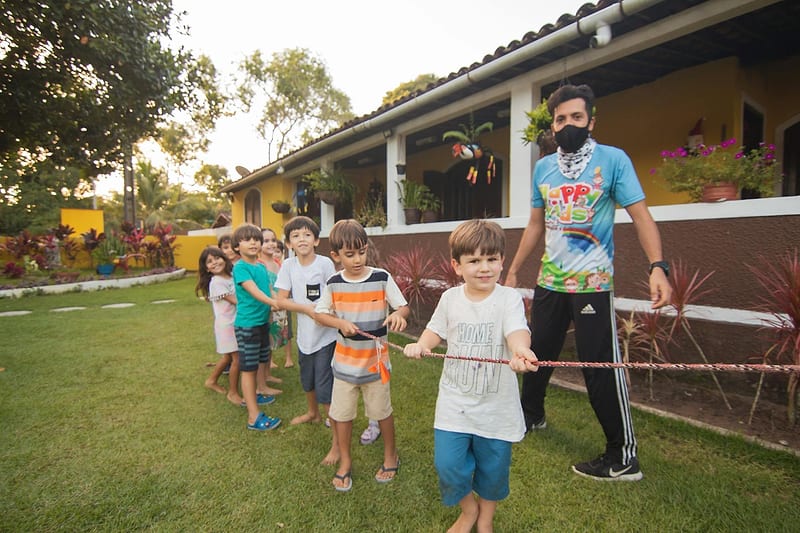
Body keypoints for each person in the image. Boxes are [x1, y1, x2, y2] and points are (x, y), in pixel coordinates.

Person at [505, 84, 672, 481]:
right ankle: (532, 416)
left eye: (576, 118)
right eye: (560, 119)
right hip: (550, 281)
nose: (568, 126)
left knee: (599, 367)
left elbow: (642, 215)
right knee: (536, 354)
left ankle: (622, 455)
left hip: (592, 284)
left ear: (591, 121)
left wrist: (658, 266)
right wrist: (513, 270)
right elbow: (535, 224)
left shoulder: (613, 161)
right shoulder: (544, 167)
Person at [403, 219, 539, 533]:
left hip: (496, 407)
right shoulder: (450, 299)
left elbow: (517, 331)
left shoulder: (509, 299)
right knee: (448, 464)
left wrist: (520, 351)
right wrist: (422, 345)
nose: (484, 268)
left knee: (493, 470)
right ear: (457, 265)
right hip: (455, 404)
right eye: (474, 260)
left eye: (492, 259)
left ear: (502, 261)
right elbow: (435, 330)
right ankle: (468, 510)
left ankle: (485, 520)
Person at [314, 219, 410, 492]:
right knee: (341, 416)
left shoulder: (381, 277)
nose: (357, 260)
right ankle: (345, 461)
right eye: (349, 254)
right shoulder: (333, 283)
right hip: (344, 366)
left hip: (375, 364)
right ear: (335, 255)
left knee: (382, 412)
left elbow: (403, 307)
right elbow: (320, 314)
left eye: (362, 252)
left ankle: (391, 455)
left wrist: (397, 316)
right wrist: (339, 323)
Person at [274, 216, 340, 465]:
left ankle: (336, 443)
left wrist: (324, 311)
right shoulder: (289, 266)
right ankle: (312, 414)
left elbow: (334, 293)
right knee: (307, 380)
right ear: (289, 243)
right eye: (295, 236)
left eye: (306, 234)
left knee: (326, 390)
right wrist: (308, 310)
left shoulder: (324, 264)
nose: (302, 239)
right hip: (305, 338)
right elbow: (281, 300)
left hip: (326, 337)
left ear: (316, 240)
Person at [231, 223, 282, 431]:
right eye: (247, 239)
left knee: (262, 361)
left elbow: (270, 290)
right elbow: (255, 292)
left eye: (256, 239)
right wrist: (274, 303)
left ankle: (256, 394)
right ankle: (253, 416)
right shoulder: (240, 268)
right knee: (249, 370)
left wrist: (280, 301)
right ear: (236, 247)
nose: (253, 242)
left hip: (261, 324)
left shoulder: (260, 267)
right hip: (248, 326)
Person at [195, 246, 243, 406]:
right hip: (228, 326)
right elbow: (237, 301)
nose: (215, 262)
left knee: (228, 357)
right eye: (209, 261)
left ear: (224, 258)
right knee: (237, 359)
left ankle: (211, 380)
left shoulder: (230, 276)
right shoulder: (216, 282)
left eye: (217, 258)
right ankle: (233, 392)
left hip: (233, 322)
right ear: (206, 268)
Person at [257, 227, 283, 395]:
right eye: (266, 241)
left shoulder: (277, 263)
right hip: (265, 308)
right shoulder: (259, 264)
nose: (270, 243)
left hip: (277, 307)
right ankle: (261, 384)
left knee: (268, 345)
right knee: (262, 345)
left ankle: (267, 375)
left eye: (273, 240)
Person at [272, 240, 295, 368]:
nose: (275, 254)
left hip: (284, 302)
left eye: (278, 251)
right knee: (271, 331)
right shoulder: (263, 266)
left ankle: (288, 358)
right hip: (271, 303)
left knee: (287, 331)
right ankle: (270, 360)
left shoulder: (283, 266)